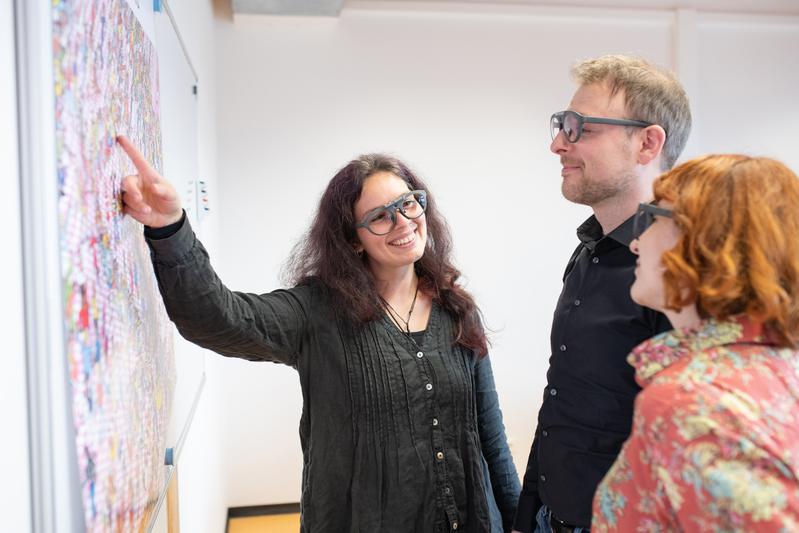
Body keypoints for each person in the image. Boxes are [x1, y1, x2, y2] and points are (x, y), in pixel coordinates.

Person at [116, 135, 520, 533]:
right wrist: (170, 228)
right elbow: (217, 317)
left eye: (408, 203)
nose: (403, 222)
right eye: (380, 216)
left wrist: (519, 517)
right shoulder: (318, 312)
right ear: (352, 239)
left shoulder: (457, 310)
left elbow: (490, 434)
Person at [513, 55, 692, 533]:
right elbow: (564, 400)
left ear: (647, 143)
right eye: (561, 125)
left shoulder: (680, 274)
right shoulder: (589, 251)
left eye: (580, 128)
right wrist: (528, 511)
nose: (558, 144)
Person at [592, 154, 799, 530]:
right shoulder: (780, 364)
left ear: (705, 241)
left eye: (653, 219)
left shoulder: (691, 401)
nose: (636, 244)